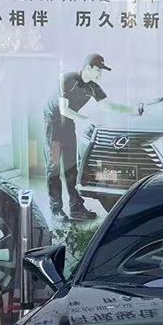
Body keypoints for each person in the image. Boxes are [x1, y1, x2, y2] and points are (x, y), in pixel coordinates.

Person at [42, 53, 109, 221]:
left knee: (71, 167)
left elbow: (108, 106)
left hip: (68, 125)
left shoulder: (93, 87)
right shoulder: (67, 79)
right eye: (98, 70)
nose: (100, 74)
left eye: (102, 71)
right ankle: (56, 209)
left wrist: (132, 112)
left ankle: (76, 207)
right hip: (54, 126)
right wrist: (87, 119)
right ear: (87, 68)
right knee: (54, 167)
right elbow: (64, 110)